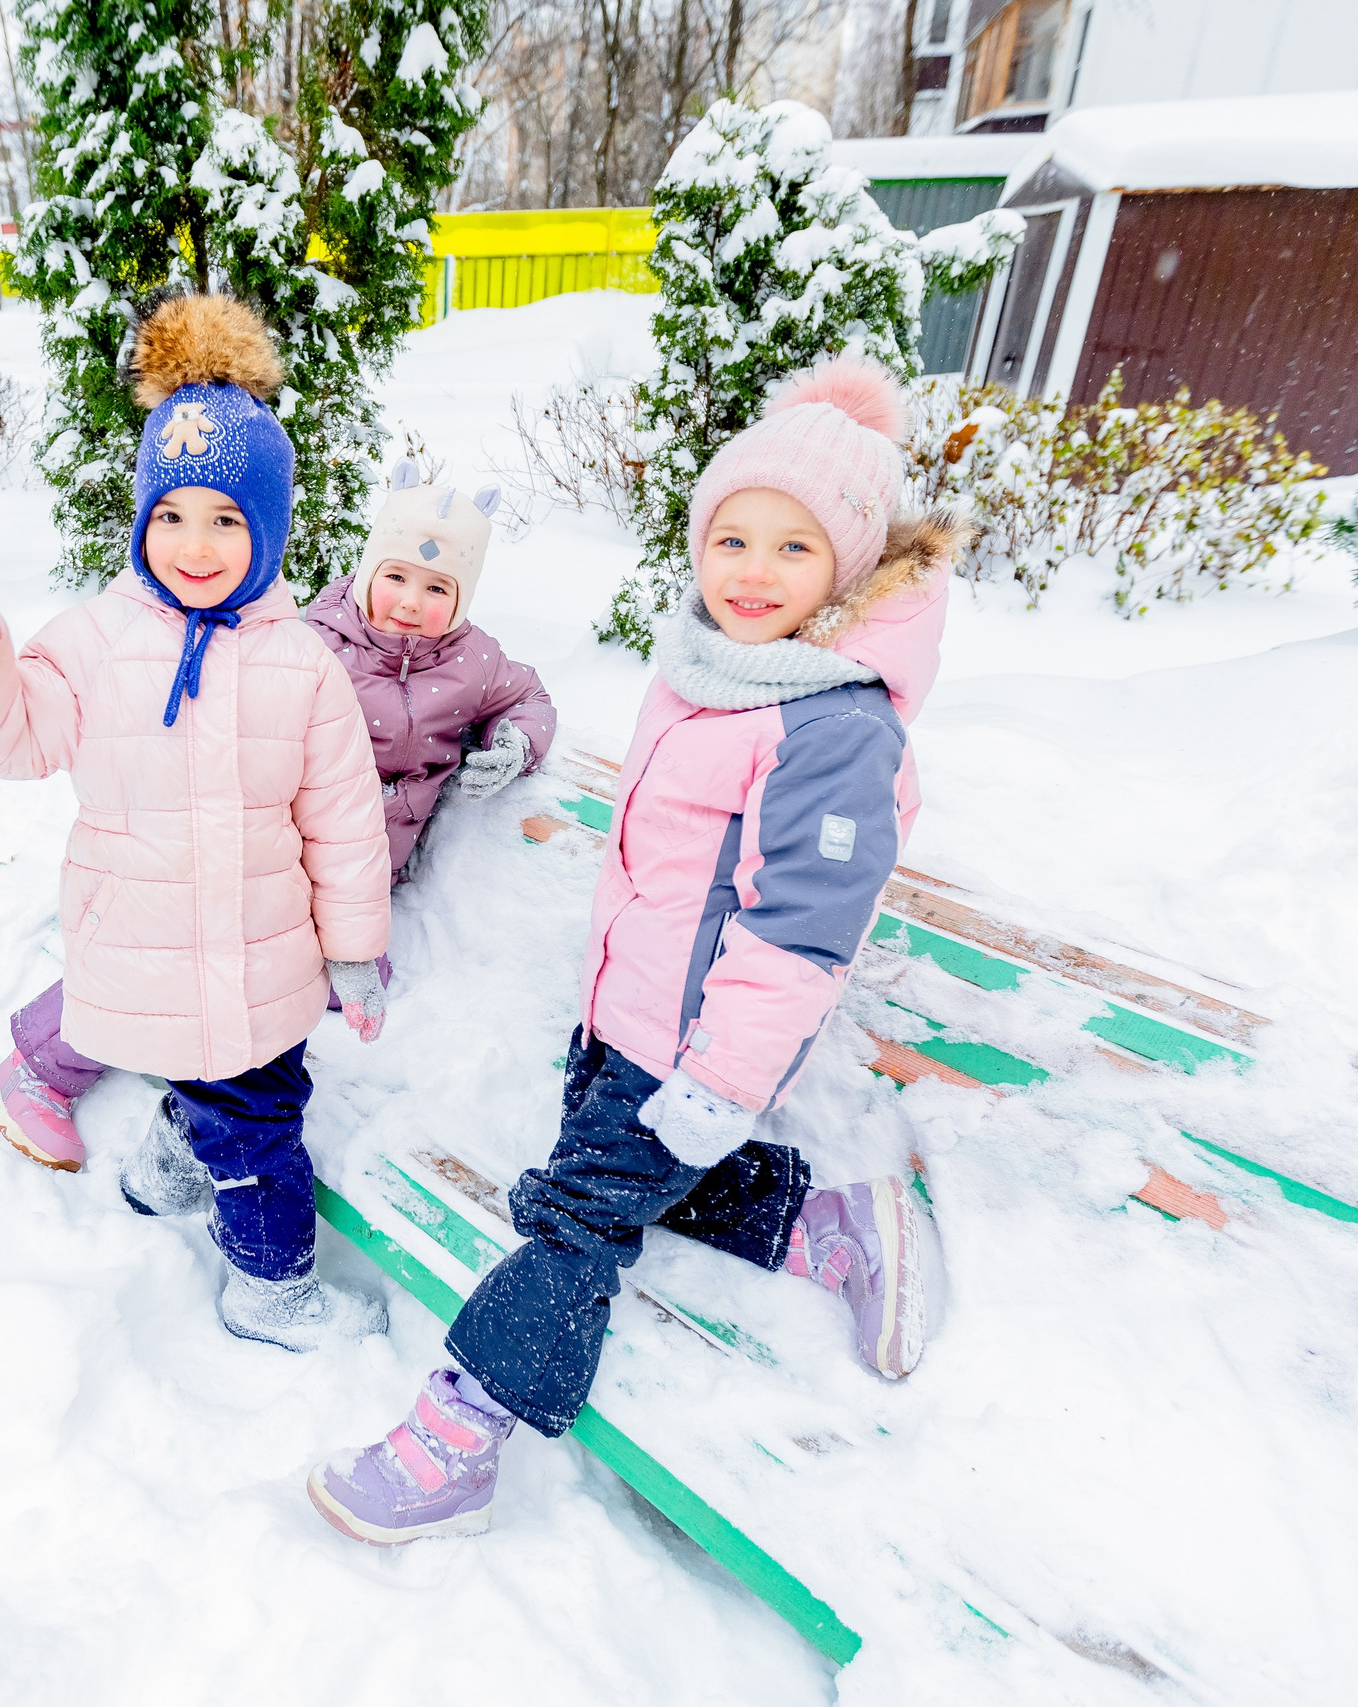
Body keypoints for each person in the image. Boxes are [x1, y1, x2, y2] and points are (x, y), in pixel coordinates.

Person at [306, 355, 970, 1543]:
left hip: (698, 1043)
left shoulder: (835, 726)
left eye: (793, 548)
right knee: (609, 1178)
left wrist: (719, 1082)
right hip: (631, 1021)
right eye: (732, 540)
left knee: (572, 1223)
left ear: (851, 567)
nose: (752, 572)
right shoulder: (719, 670)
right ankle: (829, 1224)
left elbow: (797, 936)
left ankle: (465, 1430)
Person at [0, 291, 392, 1351]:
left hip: (258, 963)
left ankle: (164, 1174)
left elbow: (344, 817)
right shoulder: (94, 639)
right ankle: (270, 1292)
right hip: (142, 945)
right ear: (139, 517)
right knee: (261, 1132)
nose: (195, 544)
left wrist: (354, 950)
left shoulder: (300, 660)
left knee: (248, 1087)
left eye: (225, 519)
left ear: (268, 528)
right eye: (170, 515)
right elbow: (11, 741)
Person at [0, 462, 556, 1181]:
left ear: (464, 598)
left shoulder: (471, 663)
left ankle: (205, 1124)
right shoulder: (311, 639)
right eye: (396, 576)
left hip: (351, 880)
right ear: (368, 567)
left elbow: (528, 696)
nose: (410, 602)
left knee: (262, 991)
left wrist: (516, 741)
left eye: (438, 588)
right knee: (169, 964)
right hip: (261, 859)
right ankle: (41, 1065)